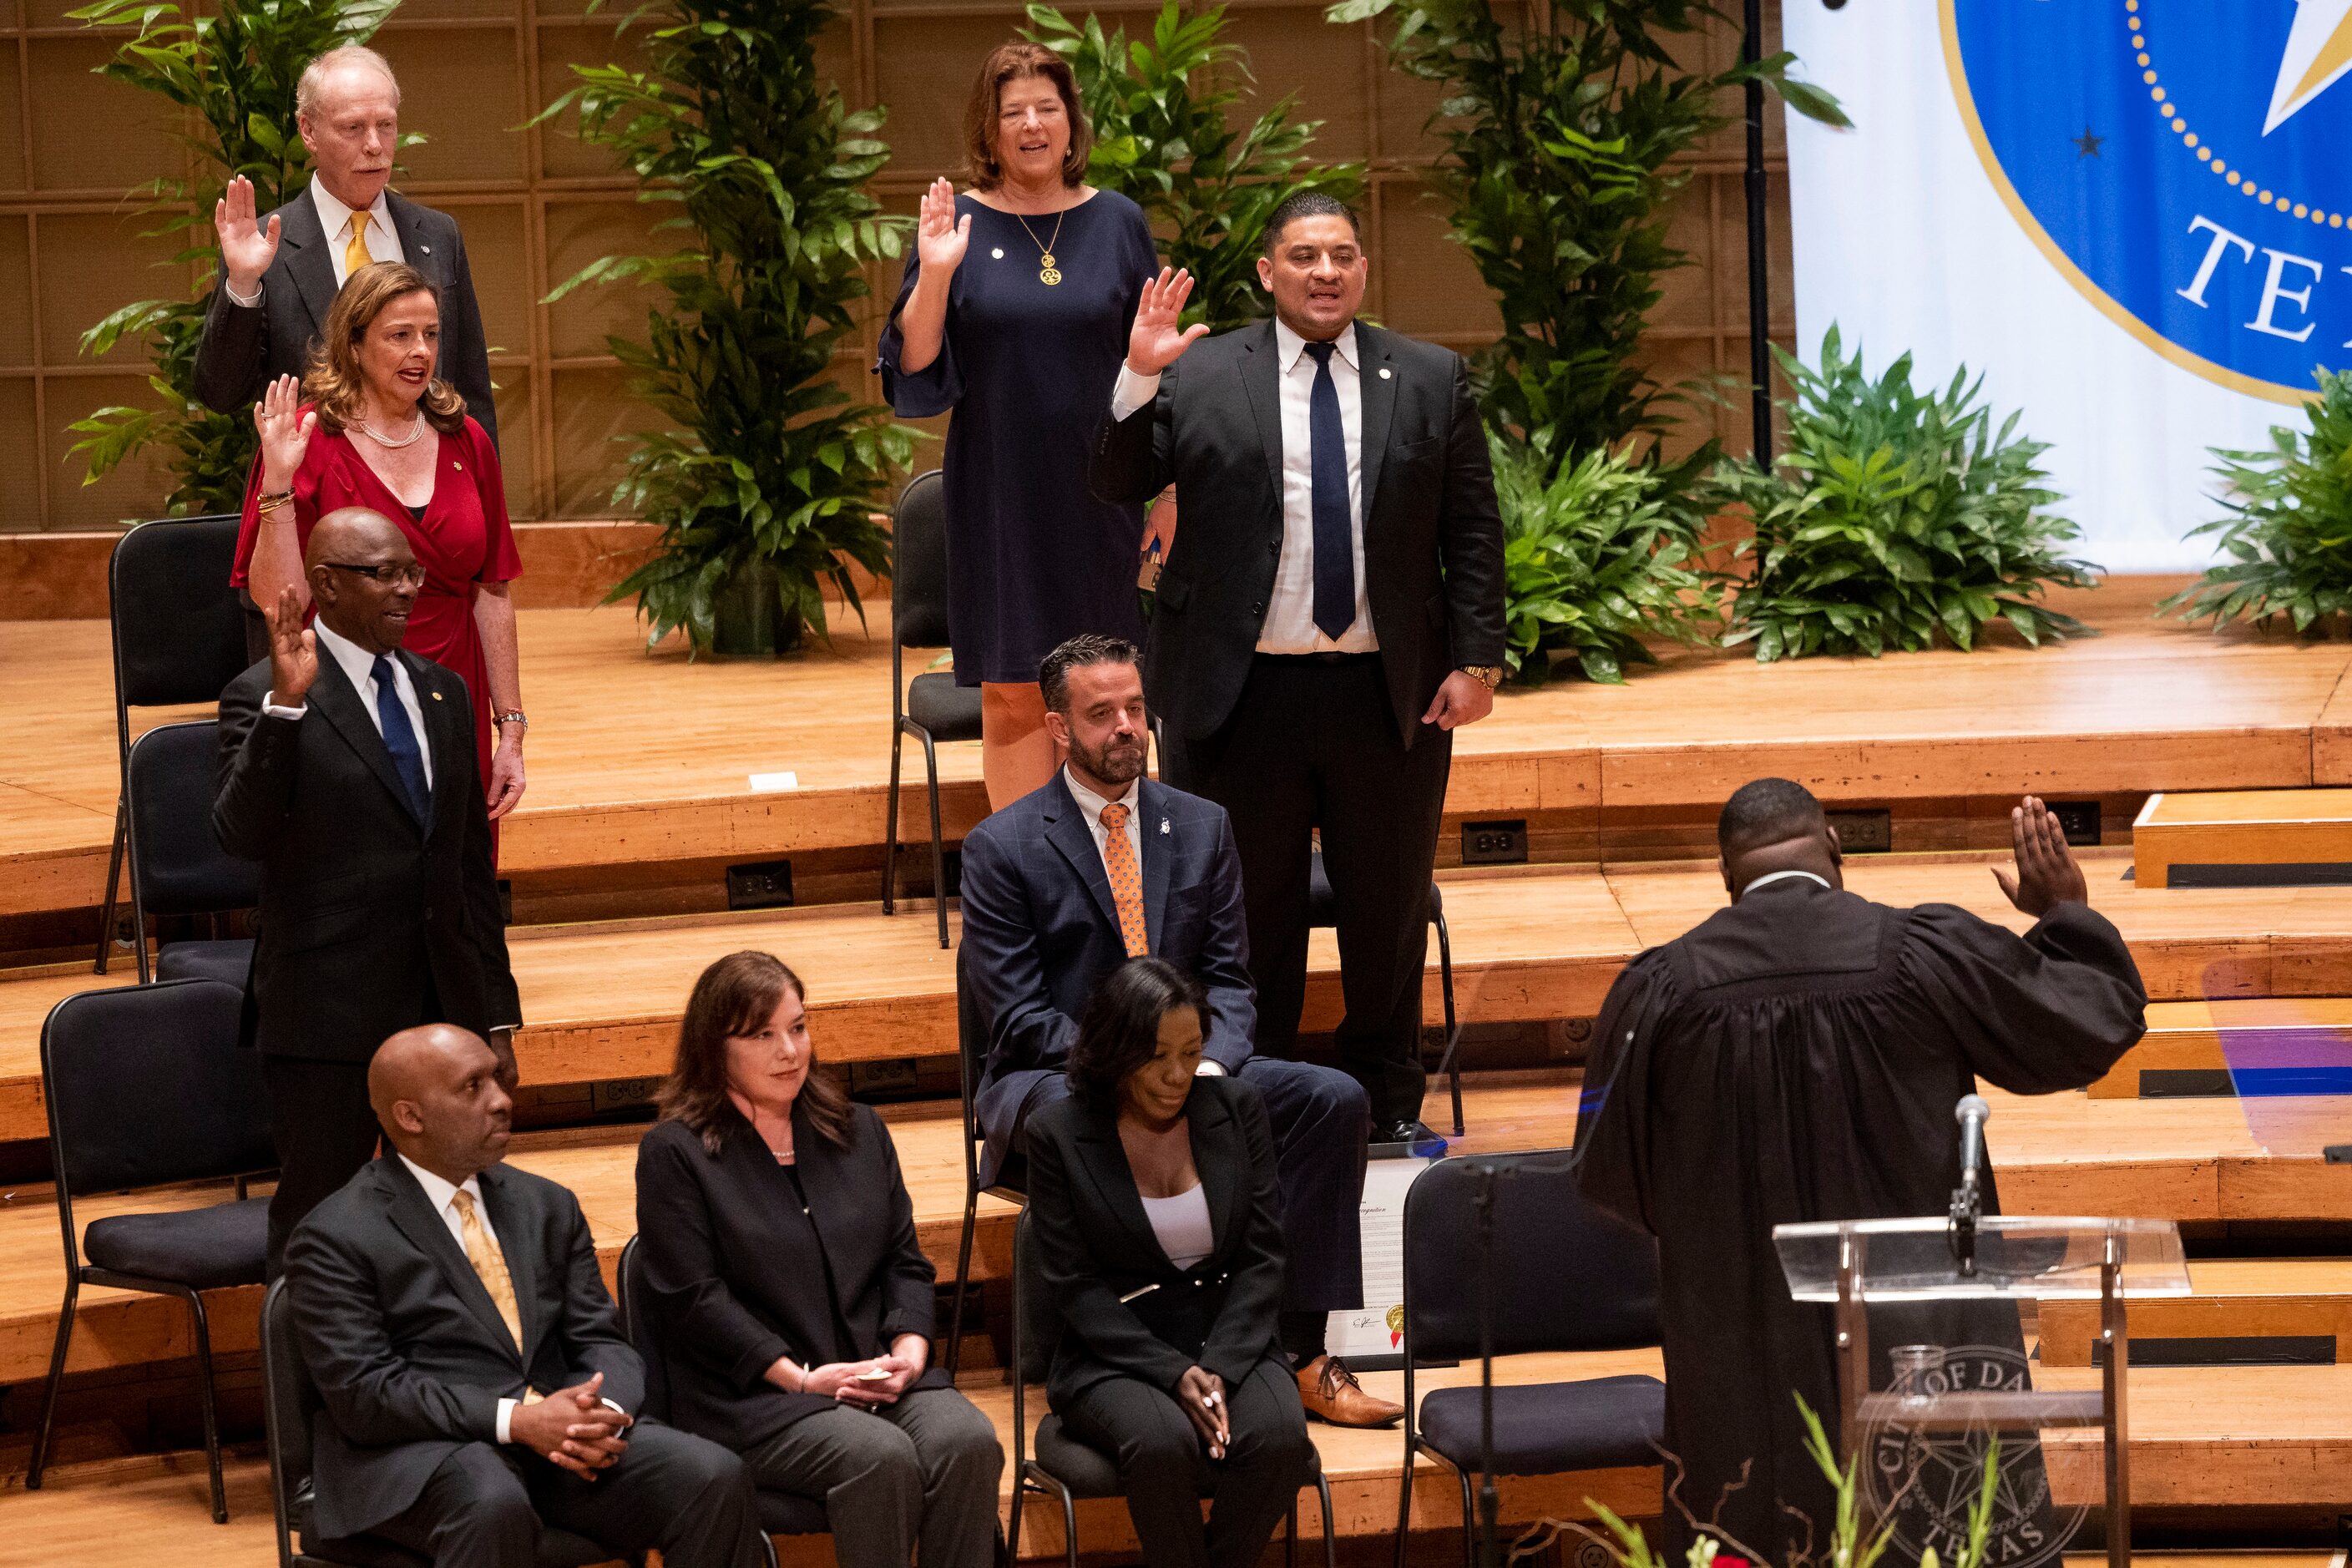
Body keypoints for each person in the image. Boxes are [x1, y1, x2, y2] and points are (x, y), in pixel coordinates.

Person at [1571, 783, 2149, 1561]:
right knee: (1940, 1525)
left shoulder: (1661, 991)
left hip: (1740, 1338)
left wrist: (1716, 1236)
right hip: (1919, 1332)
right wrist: (2064, 915)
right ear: (1835, 847)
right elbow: (2090, 1020)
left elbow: (1608, 1173)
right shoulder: (1922, 954)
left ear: (1724, 873)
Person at [1090, 193, 1508, 1144]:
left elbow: (1472, 528)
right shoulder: (1199, 371)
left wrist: (1478, 660)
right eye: (1305, 255)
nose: (1327, 271)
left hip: (1386, 696)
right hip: (1240, 698)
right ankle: (1251, 1100)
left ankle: (1387, 1109)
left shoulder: (1432, 378)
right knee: (1246, 918)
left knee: (1387, 913)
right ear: (1267, 274)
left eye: (1344, 255)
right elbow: (1114, 483)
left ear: (1364, 271)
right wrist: (1135, 376)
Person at [959, 633, 1399, 1429]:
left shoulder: (1200, 826)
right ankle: (1121, 1357)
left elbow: (1231, 981)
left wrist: (1203, 1066)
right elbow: (1019, 1017)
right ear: (1059, 728)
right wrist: (1134, 1067)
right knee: (1066, 1115)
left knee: (1330, 1098)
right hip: (1061, 1076)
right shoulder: (1003, 846)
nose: (1126, 726)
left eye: (1134, 707)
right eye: (1102, 714)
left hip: (1190, 1070)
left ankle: (1298, 1352)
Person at [283, 1024, 766, 1568]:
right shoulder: (335, 1236)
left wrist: (597, 1411)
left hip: (560, 1444)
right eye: (473, 1088)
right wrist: (517, 1420)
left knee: (710, 1476)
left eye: (497, 1078)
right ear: (410, 1116)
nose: (501, 1101)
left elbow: (599, 1338)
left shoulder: (547, 1206)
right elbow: (367, 1395)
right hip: (419, 1457)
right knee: (491, 1501)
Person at [215, 508, 521, 1273]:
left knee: (457, 1226)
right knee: (324, 1230)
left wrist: (496, 1017)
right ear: (325, 585)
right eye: (382, 574)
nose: (407, 590)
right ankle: (311, 1392)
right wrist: (286, 707)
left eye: (412, 572)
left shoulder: (445, 694)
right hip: (325, 1021)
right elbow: (237, 834)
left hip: (440, 1013)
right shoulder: (263, 696)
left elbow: (467, 873)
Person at [632, 952, 1003, 1568]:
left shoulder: (858, 1130)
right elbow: (694, 1300)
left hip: (874, 1373)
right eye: (762, 1034)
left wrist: (908, 1356)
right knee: (876, 1456)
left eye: (798, 1027)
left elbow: (903, 1263)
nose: (789, 1051)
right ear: (713, 1047)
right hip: (756, 1399)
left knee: (965, 1439)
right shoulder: (675, 1153)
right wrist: (802, 1378)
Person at [876, 41, 1161, 811]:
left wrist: (1165, 496)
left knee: (1112, 699)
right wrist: (935, 270)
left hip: (1104, 495)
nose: (1031, 124)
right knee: (1011, 694)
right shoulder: (956, 225)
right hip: (1000, 497)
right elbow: (917, 370)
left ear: (1070, 123)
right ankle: (1032, 888)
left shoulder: (1118, 222)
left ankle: (1123, 879)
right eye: (1013, 112)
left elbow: (1155, 362)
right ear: (990, 129)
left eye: (1047, 107)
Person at [1025, 958, 1318, 1568]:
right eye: (1158, 1056)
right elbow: (1074, 1287)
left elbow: (1263, 1258)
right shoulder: (1057, 1132)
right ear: (1115, 1051)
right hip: (1115, 1350)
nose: (1177, 1074)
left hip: (1228, 1337)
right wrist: (1170, 1370)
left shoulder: (1236, 1109)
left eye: (1191, 1052)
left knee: (1279, 1439)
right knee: (1160, 1444)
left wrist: (1218, 1366)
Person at [231, 261, 527, 827]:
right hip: (346, 693)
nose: (420, 351)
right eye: (400, 336)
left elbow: (492, 592)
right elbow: (279, 600)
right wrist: (276, 485)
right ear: (355, 343)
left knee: (457, 876)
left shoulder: (468, 440)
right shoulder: (307, 438)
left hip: (453, 689)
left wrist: (510, 726)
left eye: (430, 335)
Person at [195, 44, 498, 448]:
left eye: (386, 125)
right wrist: (244, 284)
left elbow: (471, 394)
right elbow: (220, 394)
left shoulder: (438, 235)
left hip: (428, 489)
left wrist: (485, 504)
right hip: (315, 496)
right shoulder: (265, 244)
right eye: (353, 128)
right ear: (308, 132)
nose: (374, 144)